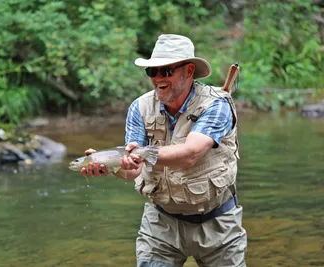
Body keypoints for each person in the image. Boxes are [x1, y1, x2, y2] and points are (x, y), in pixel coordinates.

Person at [81, 34, 247, 267]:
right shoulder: (139, 108)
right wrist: (110, 165)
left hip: (218, 224)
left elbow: (190, 154)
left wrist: (139, 154)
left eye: (165, 71)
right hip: (160, 224)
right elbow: (132, 171)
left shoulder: (217, 105)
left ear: (189, 71)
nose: (157, 78)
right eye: (152, 71)